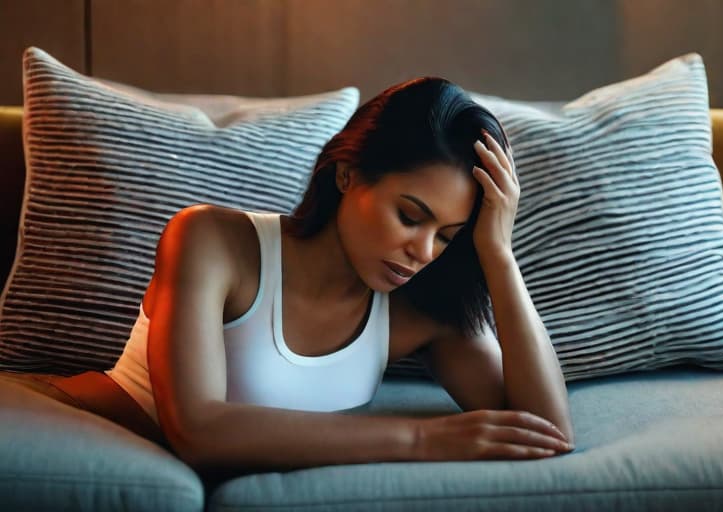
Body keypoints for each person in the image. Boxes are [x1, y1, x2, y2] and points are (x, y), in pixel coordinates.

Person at [1, 77, 574, 476]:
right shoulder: (212, 240)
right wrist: (423, 438)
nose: (423, 250)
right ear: (348, 176)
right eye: (409, 215)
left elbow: (547, 432)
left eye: (447, 235)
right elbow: (198, 430)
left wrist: (498, 253)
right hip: (64, 414)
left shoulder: (418, 311)